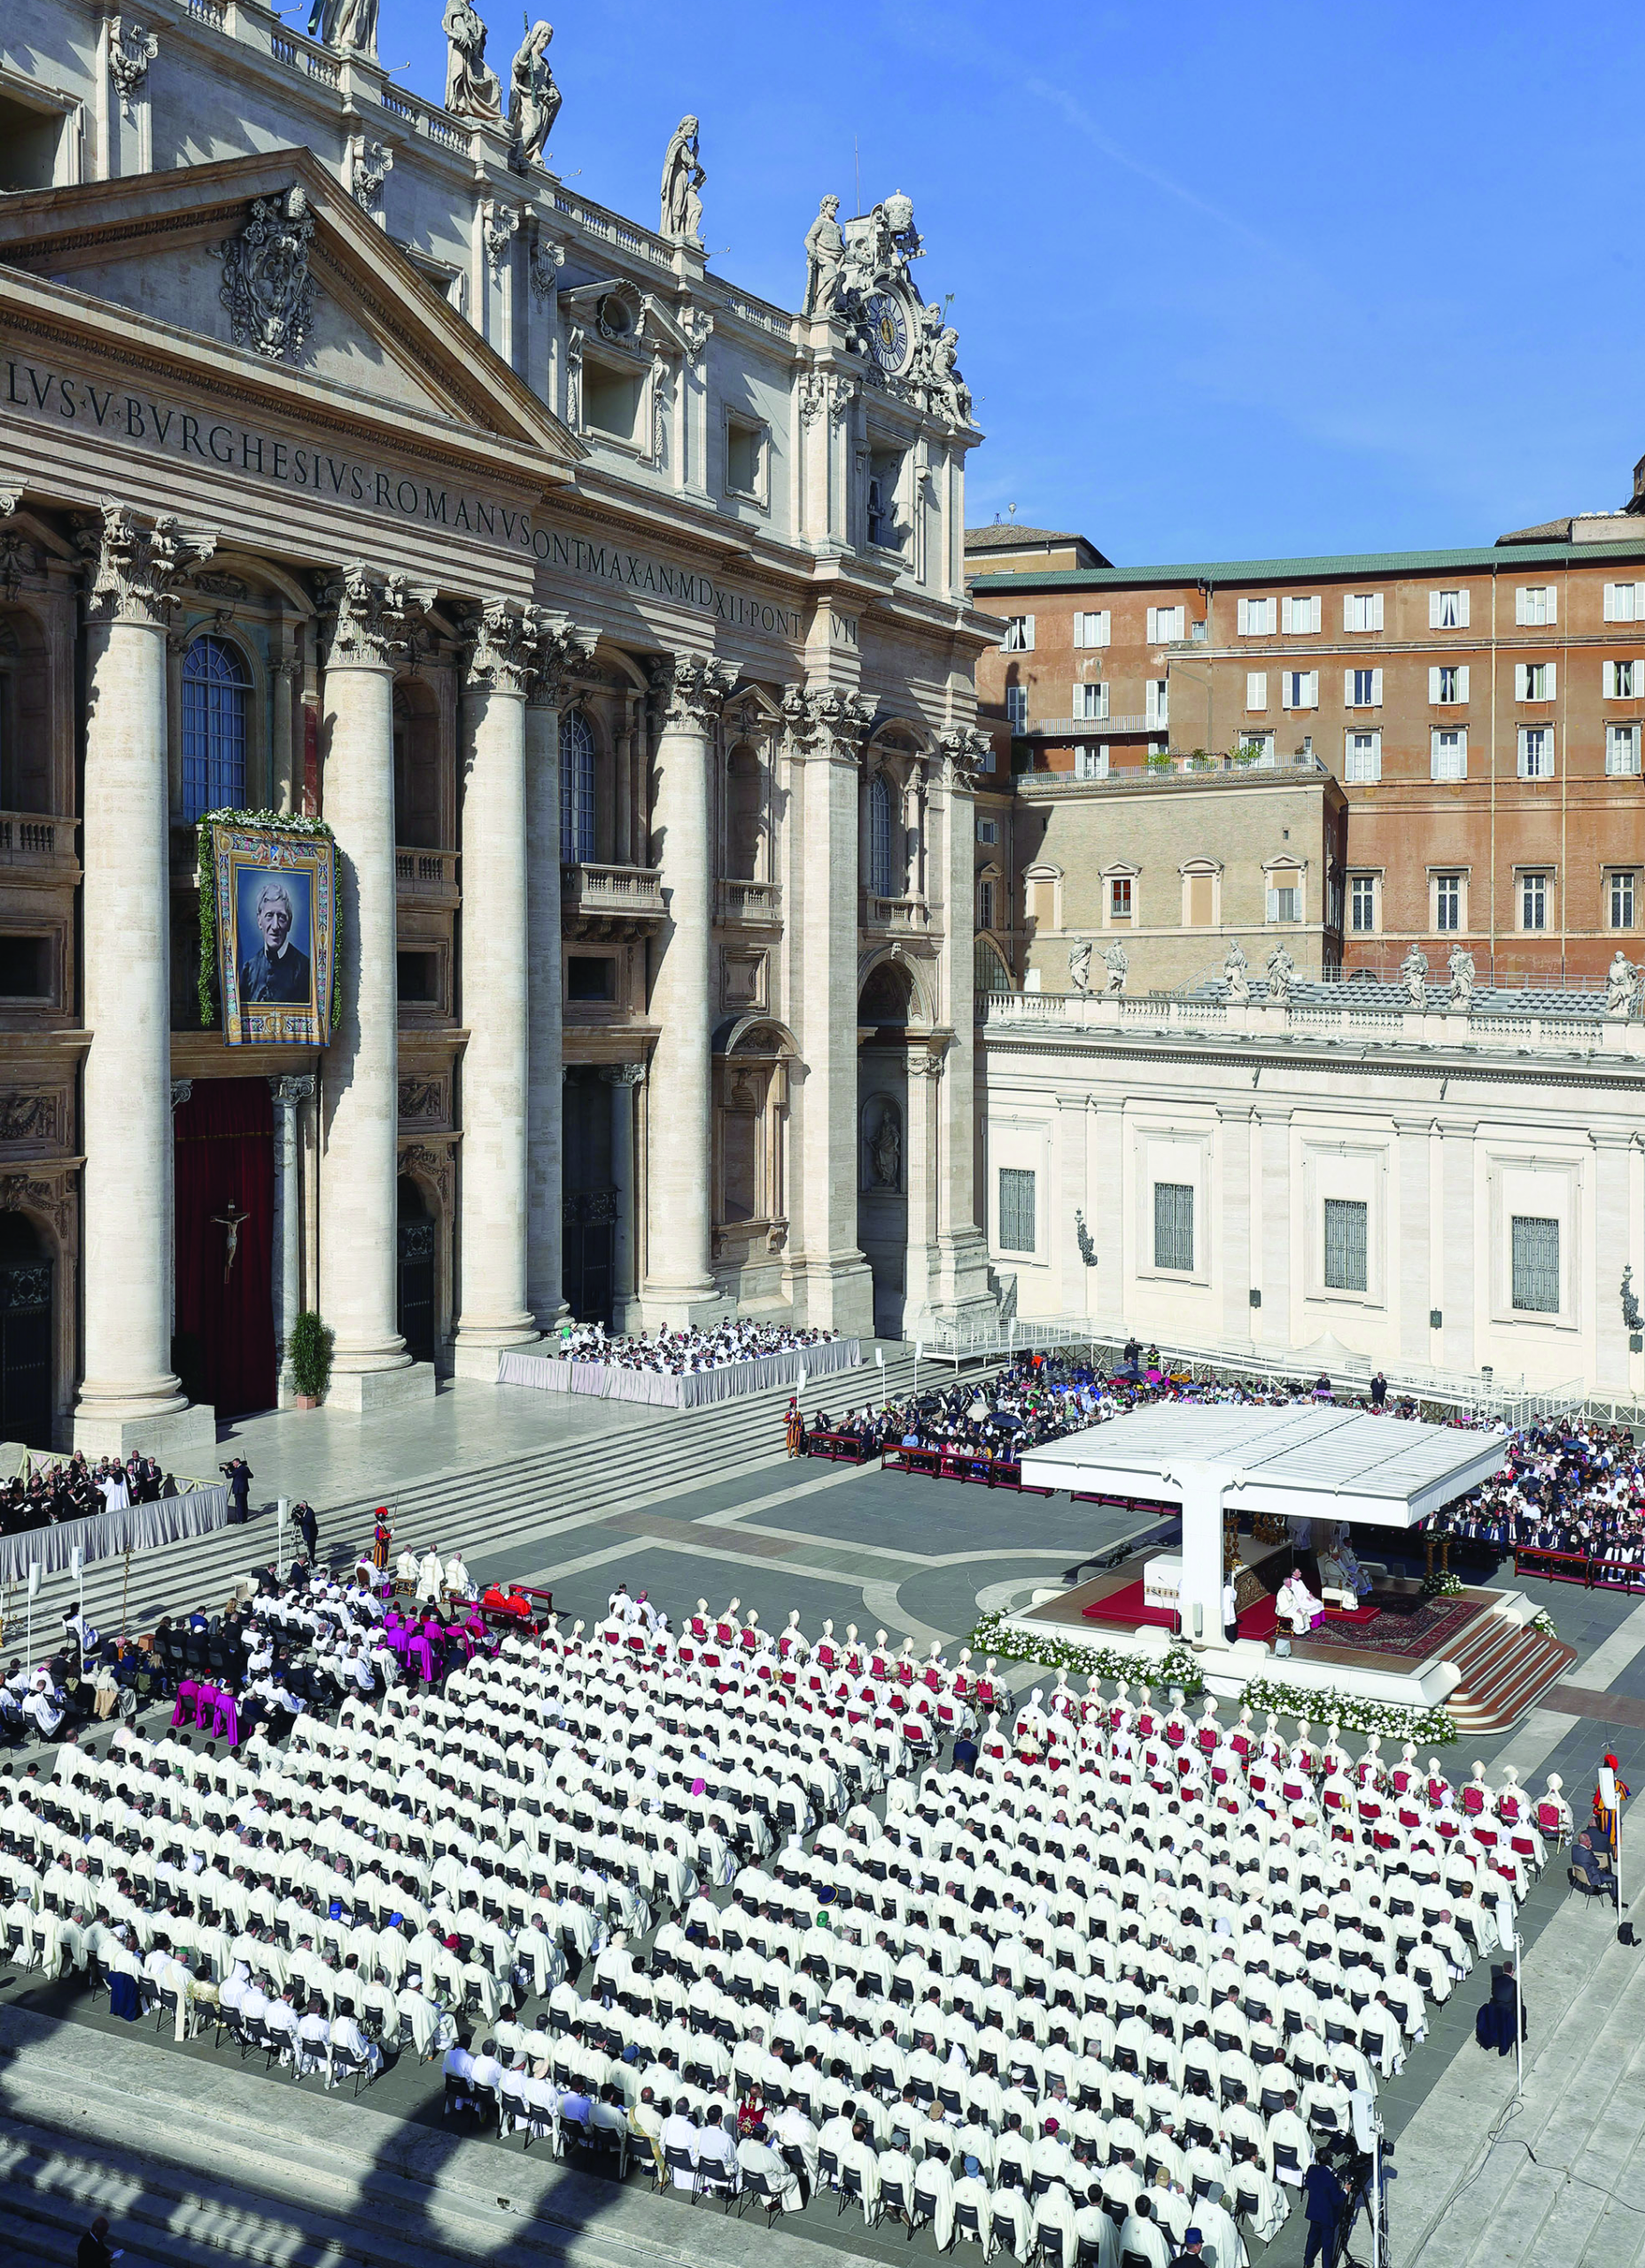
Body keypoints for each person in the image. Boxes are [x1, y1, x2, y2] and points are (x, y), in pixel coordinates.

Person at [239, 877, 312, 1004]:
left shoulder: (305, 967)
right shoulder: (248, 969)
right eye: (269, 916)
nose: (275, 926)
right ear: (259, 921)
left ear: (289, 923)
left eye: (281, 917)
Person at [1302, 2144, 1345, 2267]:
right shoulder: (1330, 2178)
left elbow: (1308, 2184)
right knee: (1327, 2245)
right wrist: (1345, 2190)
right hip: (1327, 2216)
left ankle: (1307, 2262)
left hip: (1314, 2212)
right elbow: (1336, 2199)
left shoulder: (1311, 2170)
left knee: (1312, 2238)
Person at [1475, 1960, 1526, 2058]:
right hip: (1507, 2010)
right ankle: (1522, 2034)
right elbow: (1519, 2000)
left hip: (1495, 2008)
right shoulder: (1514, 1984)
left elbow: (1494, 1993)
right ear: (1512, 1971)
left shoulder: (1496, 1980)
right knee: (1522, 2011)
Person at [222, 1456, 252, 1526]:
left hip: (238, 1490)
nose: (233, 1465)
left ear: (237, 1462)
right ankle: (245, 1518)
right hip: (245, 1488)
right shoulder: (245, 1468)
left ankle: (241, 1519)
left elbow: (229, 1476)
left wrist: (226, 1470)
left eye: (234, 1463)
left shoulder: (237, 1470)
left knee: (239, 1505)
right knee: (244, 1503)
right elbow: (251, 1476)